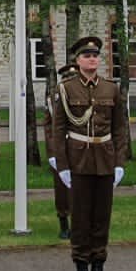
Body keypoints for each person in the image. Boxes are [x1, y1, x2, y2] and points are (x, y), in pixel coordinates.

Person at [49, 35, 130, 271]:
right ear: (77, 60)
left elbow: (119, 128)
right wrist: (62, 165)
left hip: (104, 159)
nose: (92, 59)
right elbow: (58, 129)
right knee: (81, 219)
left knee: (101, 218)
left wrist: (119, 162)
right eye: (86, 55)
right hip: (78, 160)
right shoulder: (66, 89)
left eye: (95, 55)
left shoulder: (111, 88)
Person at [46, 53, 75, 240]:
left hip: (80, 148)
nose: (69, 82)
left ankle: (80, 224)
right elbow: (49, 128)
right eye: (66, 78)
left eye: (73, 78)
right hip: (61, 148)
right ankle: (64, 224)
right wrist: (51, 153)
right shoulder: (53, 99)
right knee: (62, 189)